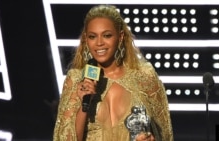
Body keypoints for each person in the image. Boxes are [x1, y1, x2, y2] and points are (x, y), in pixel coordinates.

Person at [53, 5, 173, 141]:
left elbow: (165, 134)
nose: (99, 43)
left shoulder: (144, 76)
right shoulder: (76, 80)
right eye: (93, 37)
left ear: (120, 36)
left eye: (107, 35)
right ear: (86, 39)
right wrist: (84, 106)